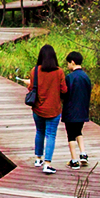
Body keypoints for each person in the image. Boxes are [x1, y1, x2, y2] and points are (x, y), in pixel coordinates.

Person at [28, 44, 68, 174]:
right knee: (50, 135)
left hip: (38, 109)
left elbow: (31, 89)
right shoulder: (59, 72)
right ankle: (47, 163)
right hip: (53, 109)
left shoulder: (35, 71)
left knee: (39, 132)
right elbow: (64, 90)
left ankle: (38, 158)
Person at [63, 50, 92, 169]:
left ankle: (74, 160)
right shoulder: (86, 77)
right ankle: (83, 154)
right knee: (79, 131)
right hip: (83, 110)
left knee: (71, 135)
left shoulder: (69, 77)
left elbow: (64, 93)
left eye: (68, 63)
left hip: (70, 110)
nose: (68, 66)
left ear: (73, 62)